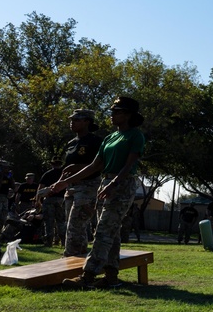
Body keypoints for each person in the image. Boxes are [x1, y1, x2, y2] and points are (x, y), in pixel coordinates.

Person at [51, 96, 146, 288]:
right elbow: (95, 165)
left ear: (128, 115)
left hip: (122, 183)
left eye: (116, 112)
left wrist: (114, 184)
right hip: (106, 182)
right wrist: (65, 182)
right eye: (112, 111)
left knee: (103, 230)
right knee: (112, 231)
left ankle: (88, 276)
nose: (111, 115)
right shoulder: (111, 137)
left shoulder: (135, 135)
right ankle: (111, 277)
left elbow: (130, 164)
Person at [59, 109, 104, 257]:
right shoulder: (71, 143)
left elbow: (100, 165)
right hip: (71, 188)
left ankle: (70, 258)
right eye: (72, 119)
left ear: (87, 122)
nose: (72, 122)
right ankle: (79, 258)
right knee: (72, 226)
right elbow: (67, 168)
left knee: (76, 225)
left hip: (88, 187)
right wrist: (60, 183)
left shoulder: (96, 142)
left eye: (77, 120)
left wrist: (78, 168)